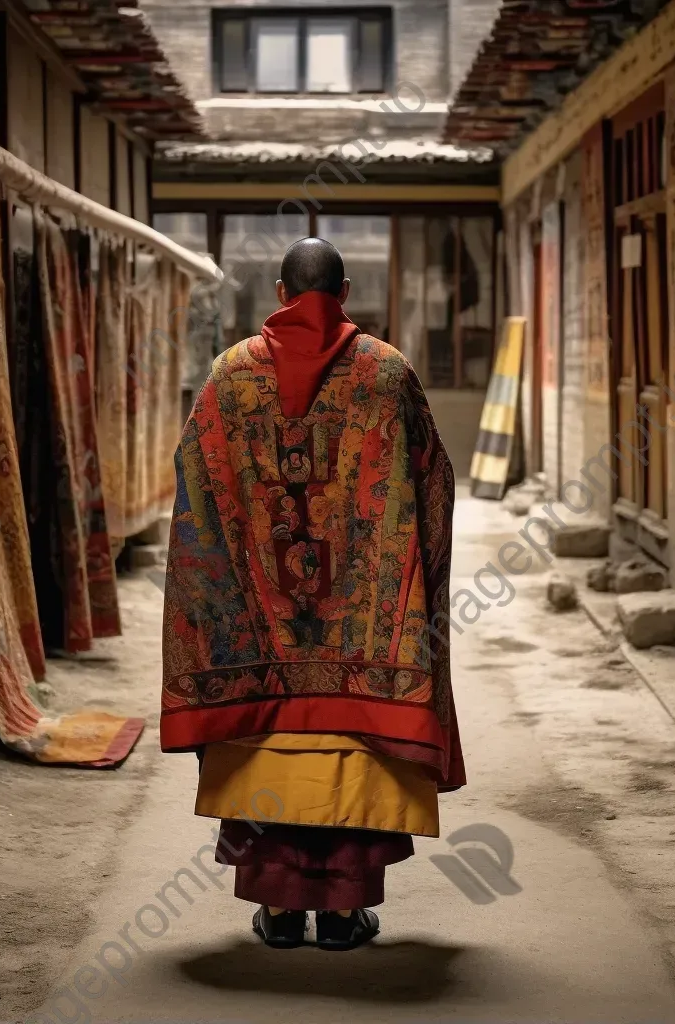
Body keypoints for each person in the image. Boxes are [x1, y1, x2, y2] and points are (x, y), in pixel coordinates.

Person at [160, 237, 464, 951]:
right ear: (346, 291)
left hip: (260, 636)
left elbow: (193, 491)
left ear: (277, 291)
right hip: (362, 643)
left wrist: (229, 588)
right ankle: (340, 914)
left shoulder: (228, 377)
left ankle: (280, 911)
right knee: (349, 759)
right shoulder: (387, 373)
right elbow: (433, 483)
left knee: (271, 757)